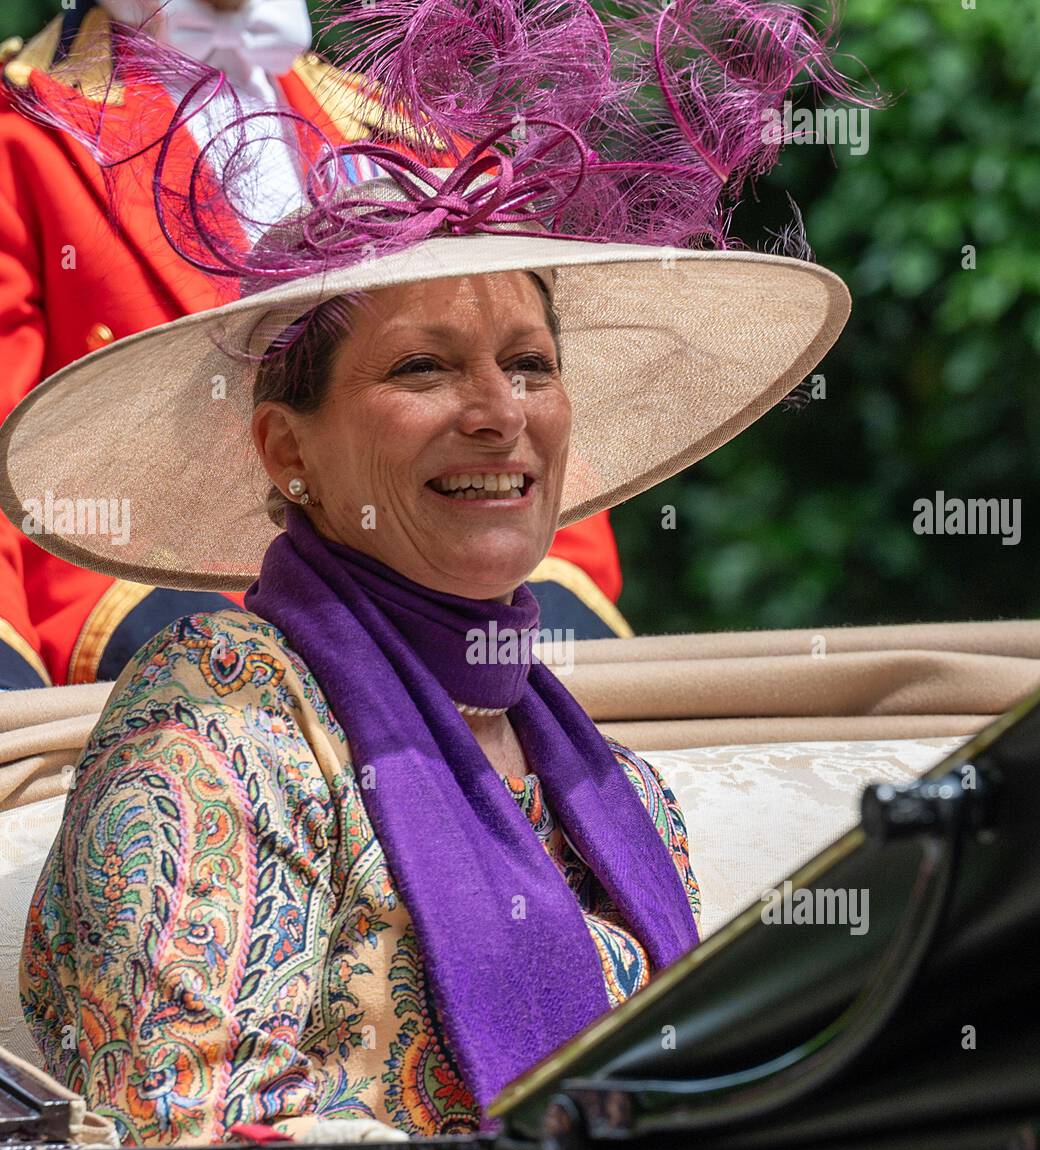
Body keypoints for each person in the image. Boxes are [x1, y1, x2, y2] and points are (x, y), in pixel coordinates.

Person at [4, 0, 869, 1144]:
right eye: (422, 367)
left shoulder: (621, 790)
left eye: (529, 365)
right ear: (284, 449)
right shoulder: (207, 742)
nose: (499, 415)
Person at [0, 0, 625, 692]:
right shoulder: (21, 133)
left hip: (455, 637)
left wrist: (560, 614)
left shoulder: (414, 134)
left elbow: (523, 394)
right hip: (161, 647)